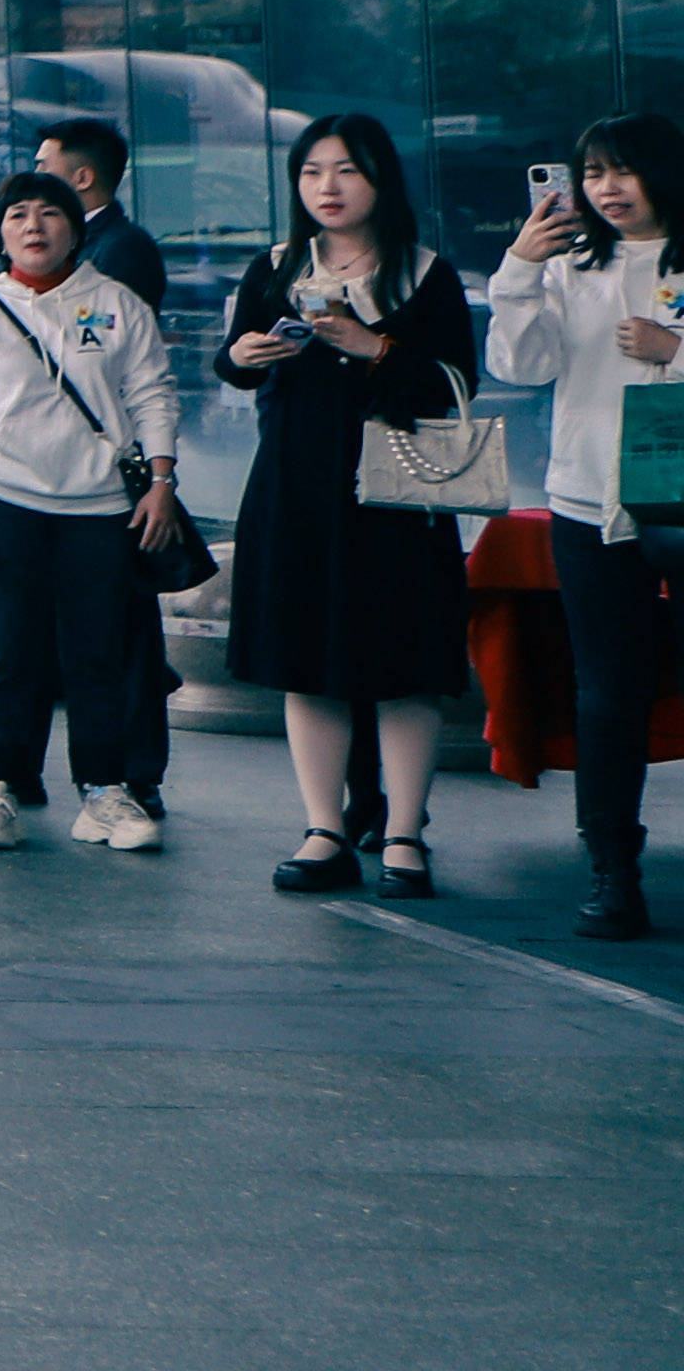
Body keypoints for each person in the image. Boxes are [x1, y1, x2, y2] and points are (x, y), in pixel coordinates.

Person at [224, 114, 481, 903]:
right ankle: (323, 826)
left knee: (405, 666)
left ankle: (404, 830)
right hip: (296, 489)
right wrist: (241, 355)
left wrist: (372, 347)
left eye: (346, 171)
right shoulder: (274, 267)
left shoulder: (423, 273)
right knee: (310, 663)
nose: (327, 188)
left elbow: (457, 385)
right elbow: (235, 362)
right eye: (312, 173)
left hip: (397, 495)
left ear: (380, 181)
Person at [0, 169, 191, 855]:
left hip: (102, 508)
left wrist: (162, 480)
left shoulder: (116, 303)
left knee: (98, 655)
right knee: (4, 652)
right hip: (0, 501)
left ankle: (104, 792)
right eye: (17, 216)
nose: (33, 226)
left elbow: (153, 394)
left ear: (75, 228)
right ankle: (0, 790)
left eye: (48, 214)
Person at [492, 115, 684, 938]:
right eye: (593, 172)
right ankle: (612, 867)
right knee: (609, 693)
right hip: (589, 503)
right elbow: (520, 366)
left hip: (680, 497)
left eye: (624, 171)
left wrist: (673, 348)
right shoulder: (570, 264)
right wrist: (519, 271)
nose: (607, 188)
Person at [0, 115, 179, 311]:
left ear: (83, 178)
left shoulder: (125, 247)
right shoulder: (71, 237)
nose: (37, 178)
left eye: (43, 166)